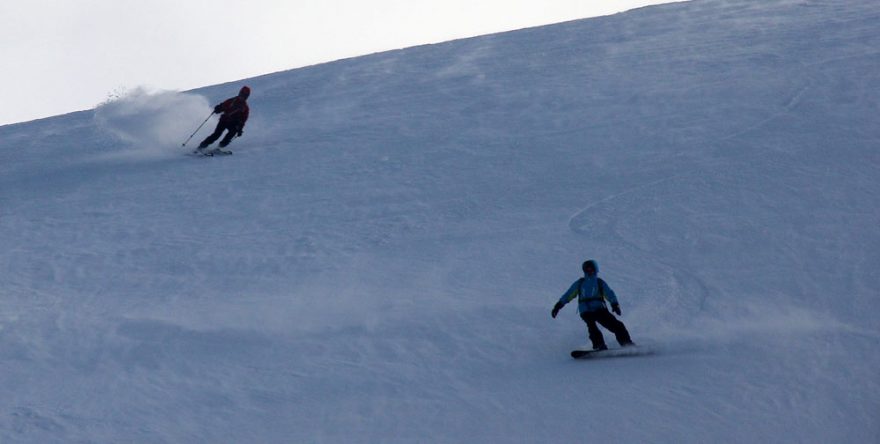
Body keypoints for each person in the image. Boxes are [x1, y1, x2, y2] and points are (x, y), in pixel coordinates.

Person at [551, 259, 635, 350]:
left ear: (595, 269)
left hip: (599, 309)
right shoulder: (580, 283)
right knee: (592, 326)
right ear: (584, 271)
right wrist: (558, 306)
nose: (590, 271)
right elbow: (568, 295)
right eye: (587, 270)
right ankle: (599, 345)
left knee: (617, 325)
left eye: (591, 269)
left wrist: (615, 304)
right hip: (585, 310)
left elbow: (609, 293)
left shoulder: (599, 282)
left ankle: (626, 343)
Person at [198, 86, 251, 151]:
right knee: (216, 134)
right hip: (224, 120)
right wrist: (218, 108)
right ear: (239, 93)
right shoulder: (232, 101)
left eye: (245, 96)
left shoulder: (245, 108)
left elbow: (243, 120)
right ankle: (201, 146)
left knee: (232, 133)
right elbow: (223, 106)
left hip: (233, 123)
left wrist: (240, 129)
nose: (242, 97)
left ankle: (220, 147)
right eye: (242, 94)